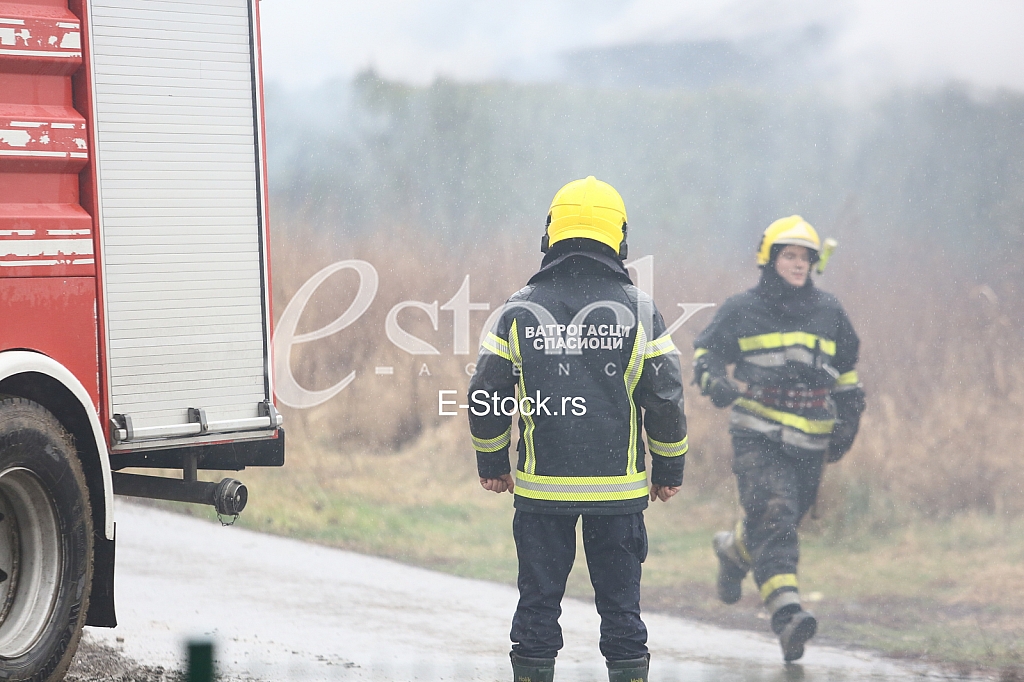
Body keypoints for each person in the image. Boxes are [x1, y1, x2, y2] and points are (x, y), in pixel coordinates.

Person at [468, 176, 688, 682]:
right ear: (620, 239)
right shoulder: (640, 309)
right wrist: (669, 468)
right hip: (620, 495)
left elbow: (487, 392)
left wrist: (493, 462)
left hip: (544, 495)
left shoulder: (519, 307)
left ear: (550, 235)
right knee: (622, 616)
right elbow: (666, 397)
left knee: (538, 611)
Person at [692, 216, 865, 662]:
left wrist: (849, 419)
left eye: (805, 256)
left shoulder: (830, 312)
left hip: (811, 442)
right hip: (758, 434)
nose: (798, 263)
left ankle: (733, 550)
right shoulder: (742, 309)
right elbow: (706, 352)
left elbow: (846, 372)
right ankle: (787, 616)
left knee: (777, 523)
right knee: (775, 517)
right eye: (789, 255)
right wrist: (716, 382)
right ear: (769, 259)